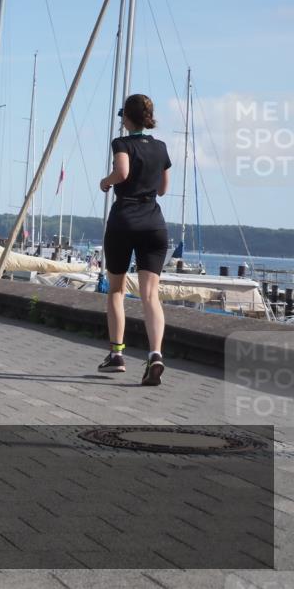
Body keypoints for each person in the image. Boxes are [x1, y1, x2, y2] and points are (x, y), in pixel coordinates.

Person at [97, 94, 171, 386]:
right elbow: (163, 189)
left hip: (124, 222)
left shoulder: (122, 143)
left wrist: (107, 181)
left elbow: (123, 171)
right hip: (154, 224)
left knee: (116, 290)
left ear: (126, 118)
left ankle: (117, 355)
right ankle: (155, 354)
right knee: (151, 295)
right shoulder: (161, 148)